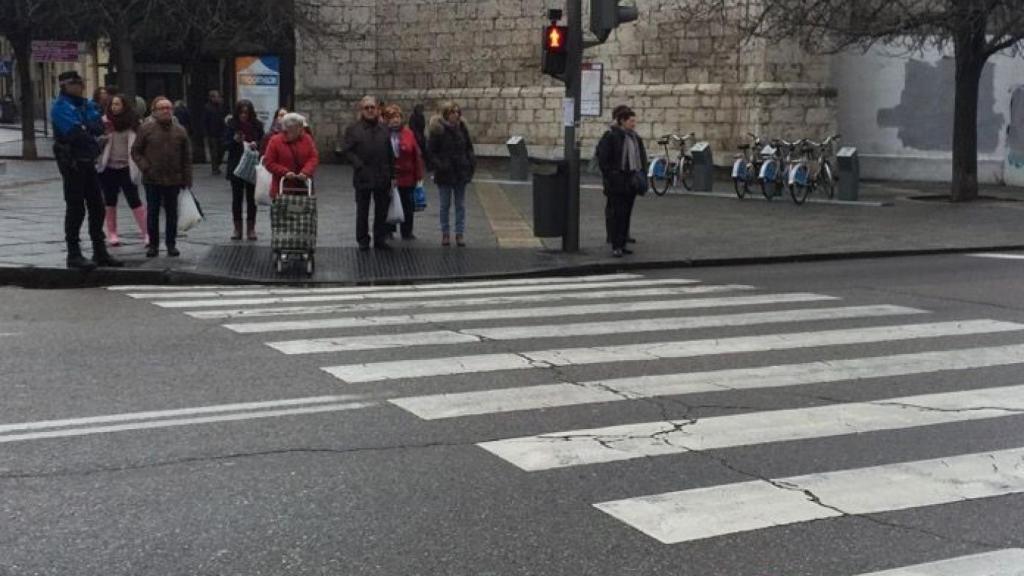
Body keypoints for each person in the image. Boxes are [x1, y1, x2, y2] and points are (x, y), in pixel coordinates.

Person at [51, 70, 122, 269]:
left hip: (88, 160)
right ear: (66, 86)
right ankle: (74, 253)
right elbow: (75, 134)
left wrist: (88, 130)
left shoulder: (84, 104)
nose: (81, 87)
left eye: (81, 83)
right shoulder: (60, 107)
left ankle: (99, 251)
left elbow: (98, 126)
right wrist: (89, 132)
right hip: (72, 163)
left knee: (97, 207)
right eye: (76, 83)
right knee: (75, 208)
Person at [132, 96, 192, 258]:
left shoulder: (180, 130)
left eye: (168, 108)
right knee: (153, 213)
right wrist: (145, 167)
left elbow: (186, 157)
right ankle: (153, 245)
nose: (166, 111)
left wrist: (187, 178)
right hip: (152, 179)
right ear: (155, 112)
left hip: (174, 179)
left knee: (172, 213)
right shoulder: (146, 129)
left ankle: (171, 244)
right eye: (162, 108)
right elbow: (136, 151)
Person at [340, 96, 394, 251]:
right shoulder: (353, 129)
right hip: (363, 175)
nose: (370, 110)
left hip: (382, 174)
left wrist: (392, 174)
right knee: (362, 210)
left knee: (382, 210)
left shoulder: (385, 128)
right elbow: (347, 150)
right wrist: (358, 165)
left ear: (377, 109)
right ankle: (363, 240)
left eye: (373, 107)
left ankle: (380, 238)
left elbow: (390, 152)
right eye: (367, 108)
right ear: (362, 110)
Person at [596, 105, 648, 257]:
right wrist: (612, 176)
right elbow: (603, 159)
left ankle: (623, 242)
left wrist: (642, 174)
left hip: (631, 180)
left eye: (634, 121)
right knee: (617, 214)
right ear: (622, 121)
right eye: (631, 121)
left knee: (626, 213)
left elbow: (641, 158)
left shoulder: (634, 138)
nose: (633, 124)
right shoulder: (611, 136)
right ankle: (616, 245)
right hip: (617, 181)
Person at [96, 93, 147, 247]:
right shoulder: (104, 122)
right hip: (108, 167)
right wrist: (102, 139)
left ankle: (146, 232)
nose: (114, 107)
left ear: (124, 106)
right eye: (112, 104)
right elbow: (96, 142)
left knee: (134, 200)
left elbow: (140, 145)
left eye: (118, 104)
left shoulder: (134, 123)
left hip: (127, 167)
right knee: (110, 200)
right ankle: (112, 233)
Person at [427, 101, 475, 247]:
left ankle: (459, 234)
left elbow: (468, 148)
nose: (456, 115)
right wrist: (440, 165)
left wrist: (470, 164)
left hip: (461, 171)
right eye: (452, 112)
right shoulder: (438, 130)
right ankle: (445, 233)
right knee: (444, 205)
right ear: (446, 114)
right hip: (445, 173)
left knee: (460, 204)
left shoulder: (462, 129)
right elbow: (431, 152)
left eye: (457, 112)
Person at [223, 99, 265, 241]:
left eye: (246, 112)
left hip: (252, 164)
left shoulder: (257, 125)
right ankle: (237, 228)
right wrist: (234, 140)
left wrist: (256, 144)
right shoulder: (232, 125)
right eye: (241, 112)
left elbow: (263, 143)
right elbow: (225, 144)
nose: (244, 115)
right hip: (236, 165)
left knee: (252, 198)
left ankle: (251, 229)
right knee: (237, 198)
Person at [382, 104, 424, 240]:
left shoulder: (408, 133)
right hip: (389, 176)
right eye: (392, 117)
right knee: (388, 203)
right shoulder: (383, 133)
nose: (395, 120)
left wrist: (419, 175)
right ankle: (388, 230)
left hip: (407, 176)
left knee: (407, 204)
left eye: (398, 117)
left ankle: (407, 231)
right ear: (386, 120)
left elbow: (416, 154)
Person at [263, 112, 320, 199]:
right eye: (300, 126)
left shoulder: (307, 139)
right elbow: (269, 162)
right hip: (281, 188)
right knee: (281, 211)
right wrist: (285, 172)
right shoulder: (275, 141)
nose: (303, 129)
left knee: (304, 211)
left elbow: (313, 157)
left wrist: (306, 172)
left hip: (303, 187)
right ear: (290, 128)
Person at [202, 90, 227, 175]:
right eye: (216, 97)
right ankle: (215, 168)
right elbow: (205, 121)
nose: (218, 98)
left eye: (218, 97)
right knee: (214, 152)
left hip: (221, 132)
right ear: (211, 98)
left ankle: (217, 164)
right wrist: (206, 133)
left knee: (221, 150)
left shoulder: (220, 106)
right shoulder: (207, 107)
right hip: (212, 133)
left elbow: (223, 118)